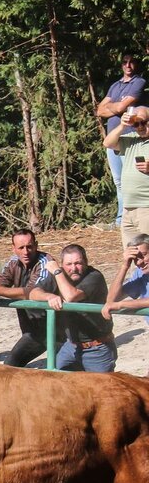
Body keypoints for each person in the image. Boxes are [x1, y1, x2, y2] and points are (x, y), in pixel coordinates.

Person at [30, 244, 115, 372]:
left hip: (97, 348)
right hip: (72, 346)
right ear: (63, 265)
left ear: (86, 262)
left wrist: (57, 271)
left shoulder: (94, 276)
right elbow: (32, 293)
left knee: (100, 390)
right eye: (68, 264)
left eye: (78, 263)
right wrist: (49, 296)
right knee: (56, 380)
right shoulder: (61, 275)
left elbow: (71, 296)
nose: (74, 268)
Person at [0, 229, 57, 367]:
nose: (26, 252)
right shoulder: (13, 262)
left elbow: (32, 292)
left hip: (58, 330)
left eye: (29, 247)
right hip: (33, 332)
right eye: (21, 248)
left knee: (62, 372)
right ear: (13, 248)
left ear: (36, 245)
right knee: (9, 366)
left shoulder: (46, 262)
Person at [97, 53, 146, 227]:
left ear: (135, 64)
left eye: (131, 62)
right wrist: (115, 107)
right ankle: (121, 219)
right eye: (125, 62)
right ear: (121, 65)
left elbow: (120, 107)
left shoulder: (139, 83)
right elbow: (99, 110)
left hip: (130, 137)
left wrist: (112, 106)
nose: (128, 65)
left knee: (131, 178)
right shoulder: (115, 86)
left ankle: (132, 218)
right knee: (118, 181)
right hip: (113, 138)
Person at [103, 106, 149, 247]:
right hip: (128, 209)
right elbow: (107, 143)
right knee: (132, 255)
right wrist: (123, 125)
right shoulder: (131, 140)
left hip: (146, 208)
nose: (140, 127)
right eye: (136, 123)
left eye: (144, 122)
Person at [103, 234, 149, 334]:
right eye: (135, 259)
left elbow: (115, 303)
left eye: (143, 255)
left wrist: (121, 305)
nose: (140, 262)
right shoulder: (140, 274)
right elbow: (111, 300)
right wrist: (125, 265)